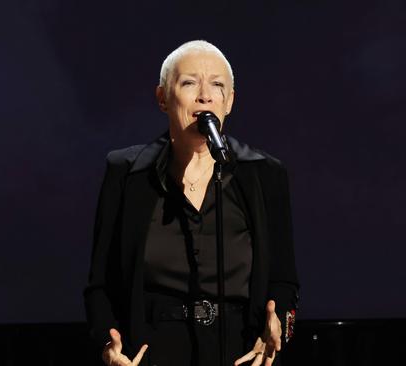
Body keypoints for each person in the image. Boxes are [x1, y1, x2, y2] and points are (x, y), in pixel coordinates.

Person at [84, 40, 299, 366]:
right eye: (189, 83)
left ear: (229, 102)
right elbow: (99, 284)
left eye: (217, 85)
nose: (205, 95)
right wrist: (108, 344)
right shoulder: (127, 173)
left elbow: (283, 281)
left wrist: (278, 325)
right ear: (162, 98)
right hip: (152, 352)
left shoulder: (264, 174)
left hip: (239, 352)